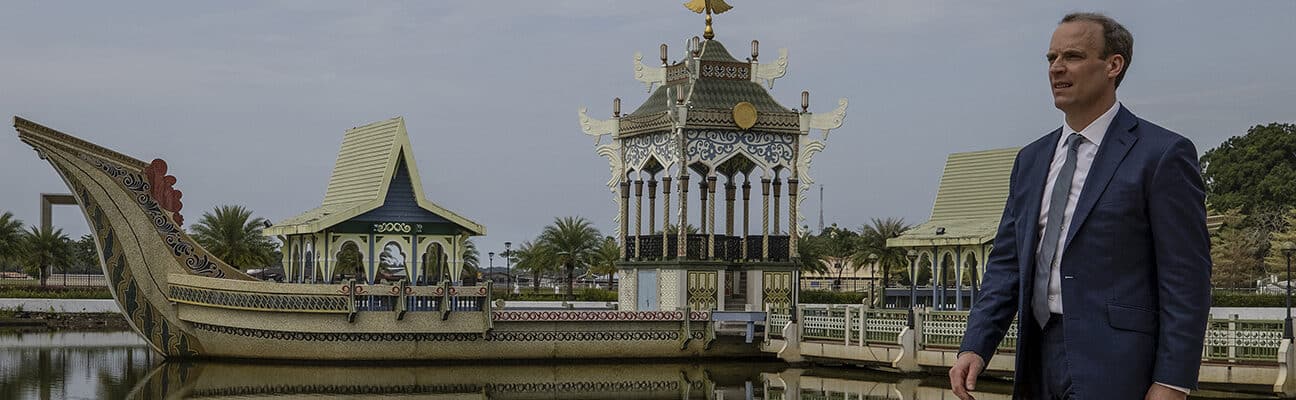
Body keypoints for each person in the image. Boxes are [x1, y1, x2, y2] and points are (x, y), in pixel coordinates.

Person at [949, 12, 1211, 400]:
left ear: (1113, 65)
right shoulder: (1031, 159)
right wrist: (975, 344)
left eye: (1071, 56)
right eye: (1051, 58)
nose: (1057, 68)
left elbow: (1186, 279)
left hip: (1118, 365)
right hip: (1037, 358)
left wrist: (1172, 380)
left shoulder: (1162, 154)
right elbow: (1007, 264)